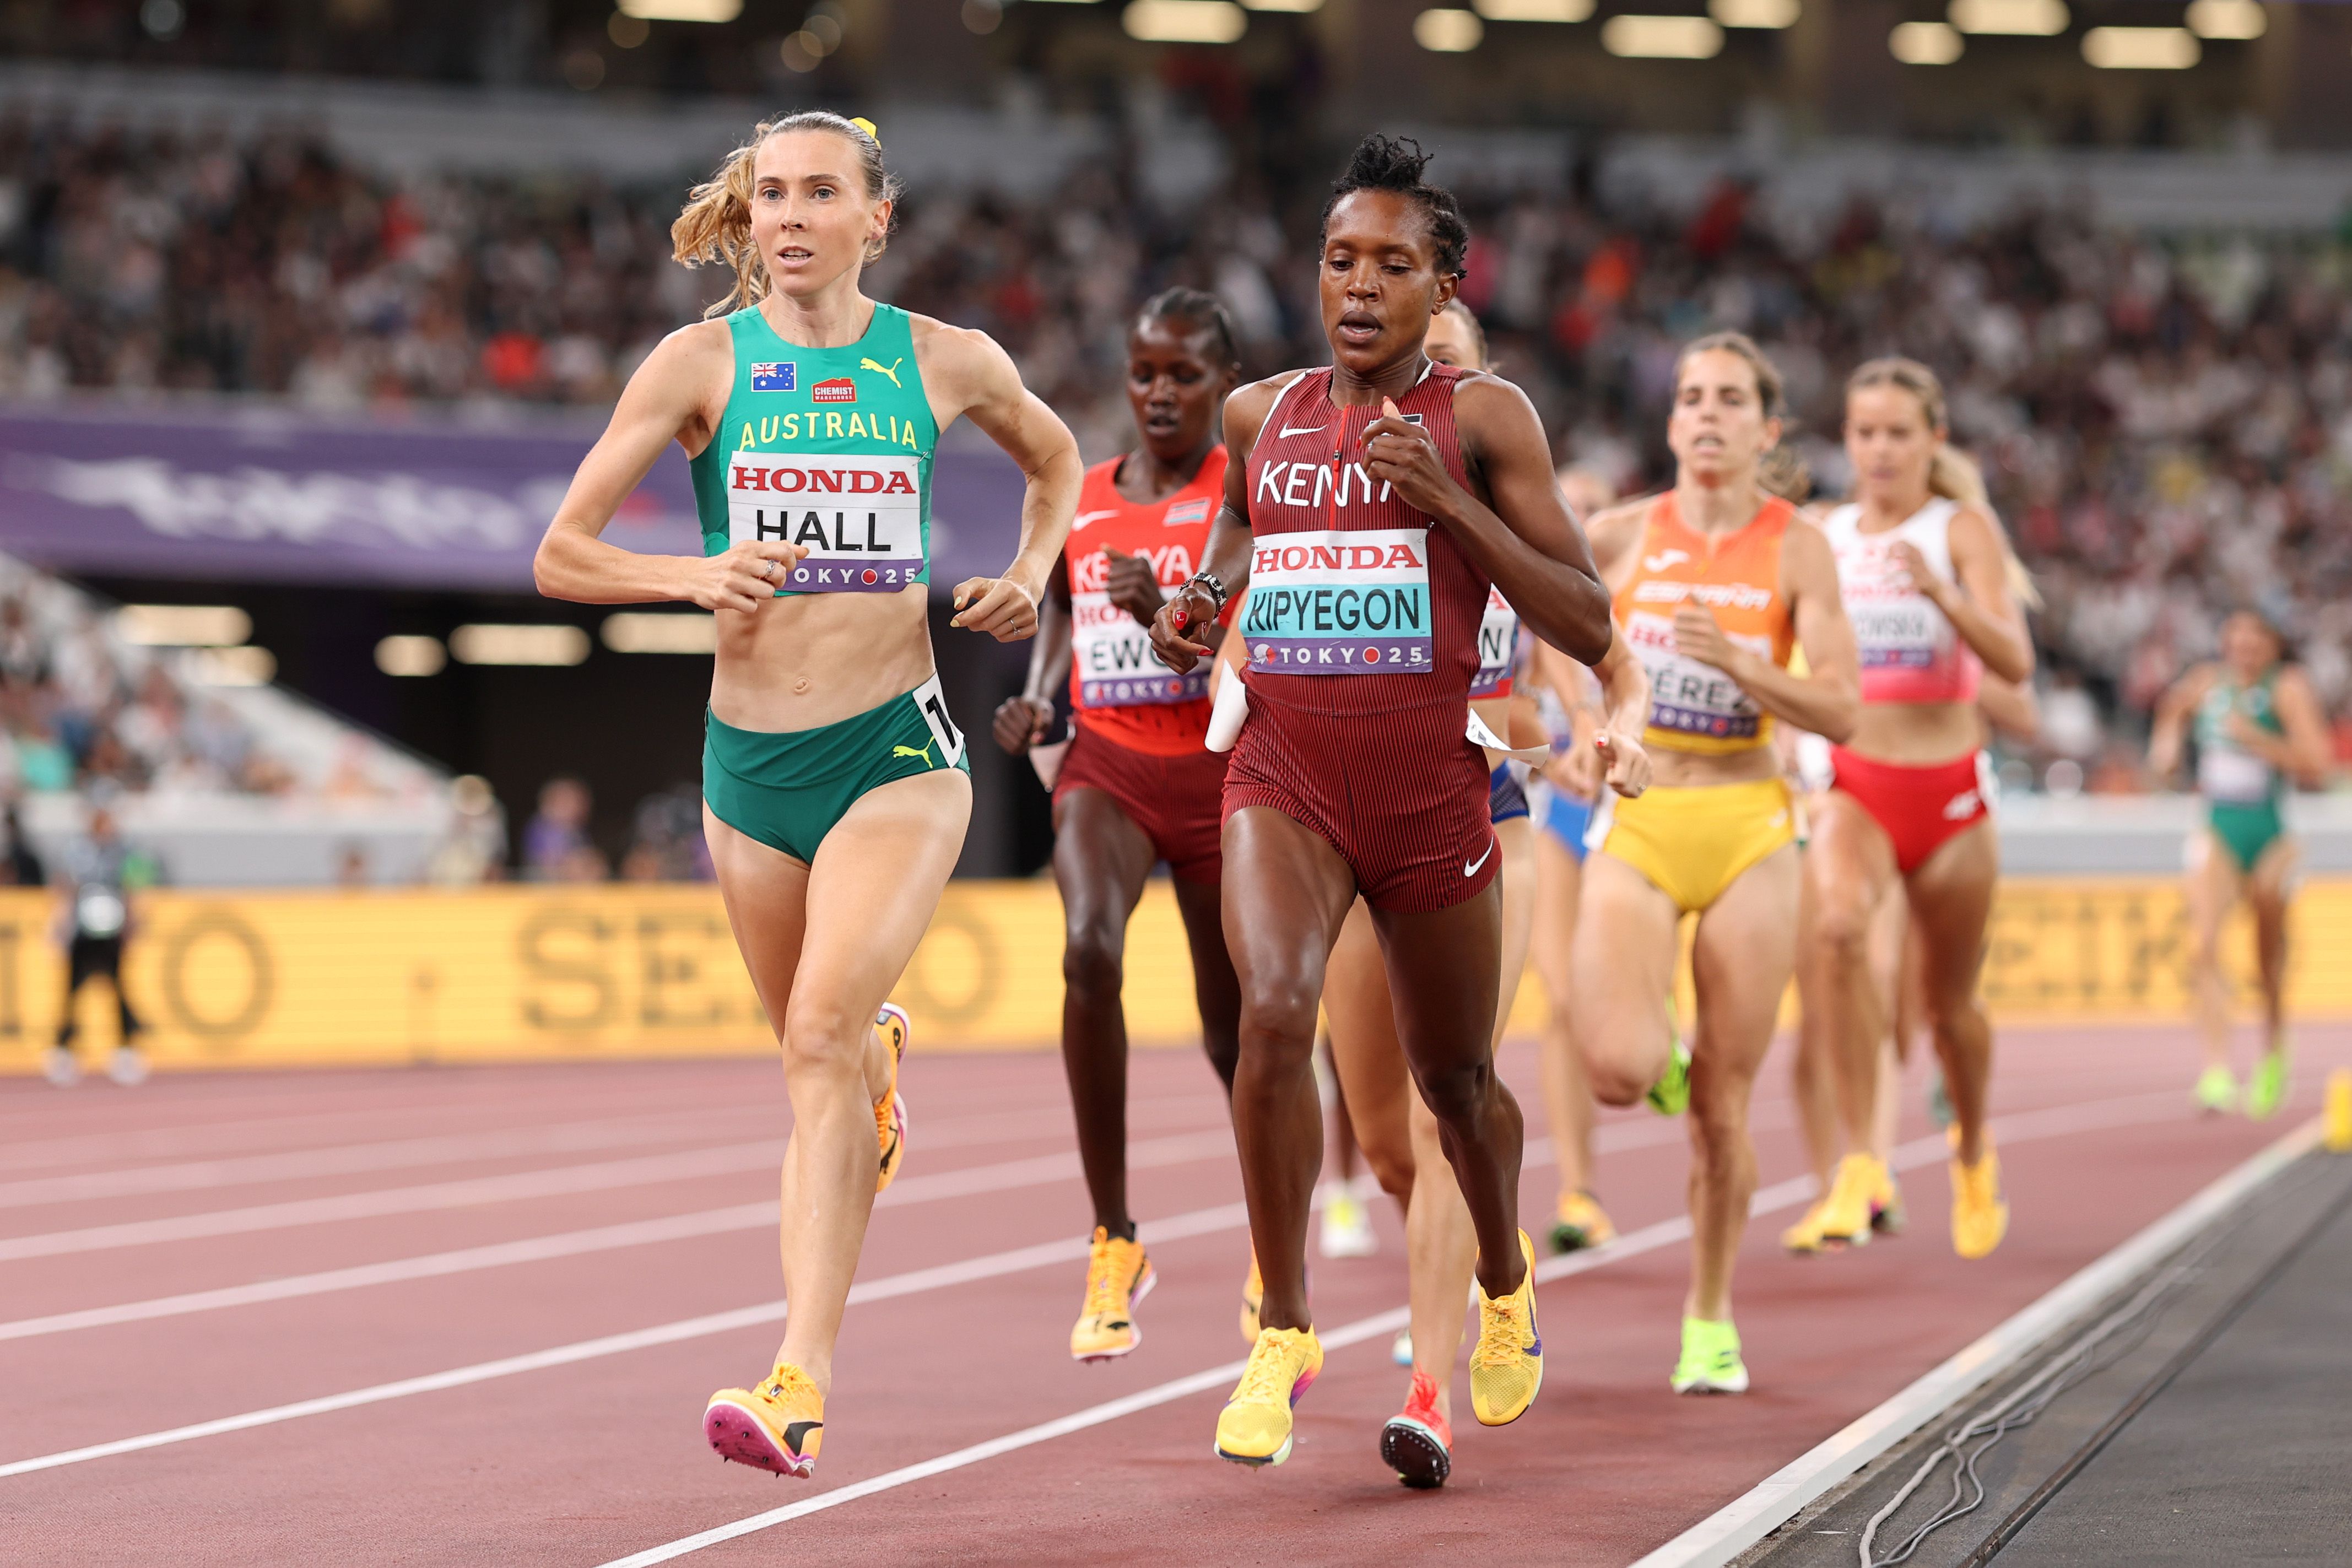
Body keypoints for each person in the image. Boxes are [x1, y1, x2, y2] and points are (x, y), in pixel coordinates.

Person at [532, 111, 1078, 1480]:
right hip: (745, 767)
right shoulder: (698, 363)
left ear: (871, 219)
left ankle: (797, 1379)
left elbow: (1059, 459)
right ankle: (878, 1064)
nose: (787, 215)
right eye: (769, 192)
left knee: (820, 1034)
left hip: (892, 749)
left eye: (818, 192)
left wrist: (1030, 571)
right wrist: (689, 575)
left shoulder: (942, 359)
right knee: (810, 1050)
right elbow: (561, 553)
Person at [1149, 135, 1614, 1469]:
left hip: (1426, 788)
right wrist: (1195, 608)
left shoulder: (1484, 420)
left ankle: (1505, 1281)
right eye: (1339, 259)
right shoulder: (1259, 415)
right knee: (1270, 1013)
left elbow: (1583, 616)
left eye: (1391, 265)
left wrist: (1445, 508)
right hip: (1284, 771)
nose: (1359, 286)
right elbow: (1235, 546)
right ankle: (1282, 1329)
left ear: (1440, 284)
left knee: (1454, 1084)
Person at [1305, 299, 1650, 1487]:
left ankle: (1426, 1388)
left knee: (1443, 1104)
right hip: (1344, 816)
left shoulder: (1503, 499)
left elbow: (1597, 648)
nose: (1419, 378)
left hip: (1479, 814)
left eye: (1442, 360)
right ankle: (1496, 1267)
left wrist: (1606, 728)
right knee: (1385, 1140)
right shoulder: (1322, 476)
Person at [1571, 332, 1861, 1396]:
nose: (1704, 414)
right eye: (1689, 396)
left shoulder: (1796, 546)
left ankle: (1707, 1315)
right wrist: (1585, 726)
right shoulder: (1615, 534)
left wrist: (1741, 663)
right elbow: (1551, 632)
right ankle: (1668, 1066)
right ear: (1668, 421)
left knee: (1722, 1115)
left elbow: (1841, 705)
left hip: (1747, 824)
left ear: (1765, 429)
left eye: (1729, 399)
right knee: (1614, 1065)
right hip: (1643, 823)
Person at [991, 287, 1246, 1364]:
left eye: (1184, 375)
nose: (1158, 392)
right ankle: (1113, 1236)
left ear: (1222, 387)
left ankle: (1277, 1245)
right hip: (1108, 763)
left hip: (1225, 772)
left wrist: (1164, 612)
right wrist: (1040, 693)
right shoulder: (1085, 494)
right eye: (1144, 371)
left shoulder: (1243, 491)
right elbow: (1057, 605)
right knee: (1088, 949)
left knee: (1237, 1028)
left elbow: (1237, 615)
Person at [1789, 360, 2036, 1262]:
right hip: (1855, 781)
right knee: (1838, 935)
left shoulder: (1956, 528)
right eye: (1864, 432)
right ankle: (1861, 1160)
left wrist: (1940, 595)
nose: (1881, 449)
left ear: (1933, 440)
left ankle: (1970, 1147)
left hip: (1949, 790)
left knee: (1948, 1006)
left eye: (1899, 432)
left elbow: (2012, 662)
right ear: (1845, 441)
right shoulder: (1820, 531)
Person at [2149, 609, 2329, 1118]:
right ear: (2224, 641)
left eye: (2256, 638)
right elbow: (2171, 709)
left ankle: (2273, 1052)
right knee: (2202, 945)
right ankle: (2216, 1070)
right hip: (2218, 829)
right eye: (2236, 636)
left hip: (2270, 834)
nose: (2245, 646)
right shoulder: (2207, 682)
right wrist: (2164, 746)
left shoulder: (2286, 688)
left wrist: (2257, 740)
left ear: (2272, 645)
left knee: (2265, 959)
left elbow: (2318, 762)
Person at [1532, 464, 1624, 1255]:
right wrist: (1546, 755)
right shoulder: (1525, 596)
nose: (1583, 522)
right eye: (1572, 508)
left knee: (1616, 998)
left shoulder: (1635, 602)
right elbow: (1504, 699)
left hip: (1631, 814)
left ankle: (1656, 1051)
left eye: (1596, 511)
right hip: (1554, 809)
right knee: (1562, 1003)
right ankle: (1579, 1190)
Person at [47, 801, 145, 1088]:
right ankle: (64, 1051)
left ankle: (125, 1050)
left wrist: (133, 921)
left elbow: (131, 887)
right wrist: (60, 926)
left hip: (112, 932)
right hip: (82, 931)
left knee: (118, 989)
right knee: (72, 991)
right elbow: (66, 889)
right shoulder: (77, 850)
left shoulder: (124, 850)